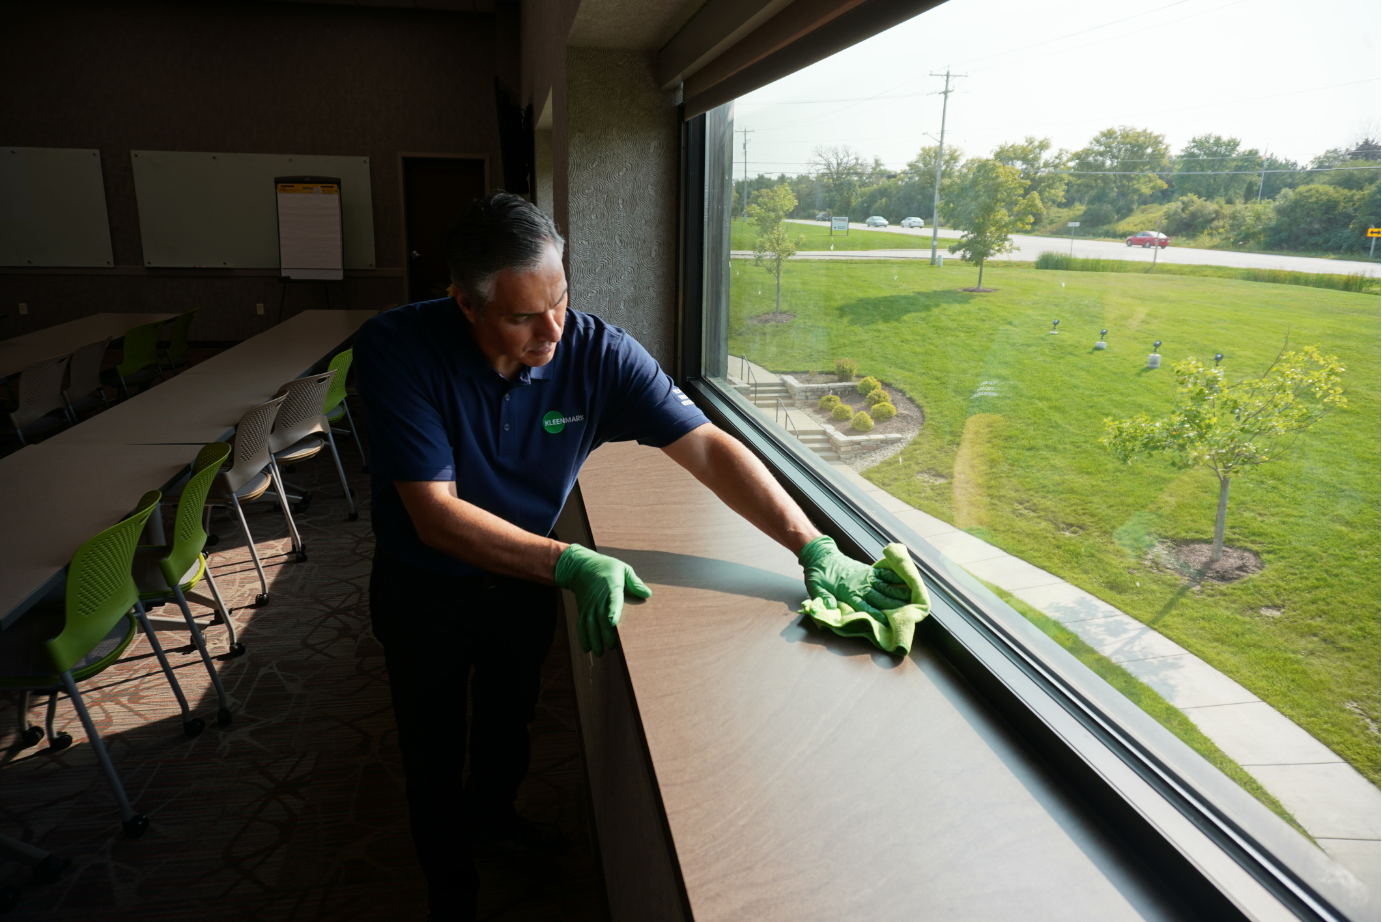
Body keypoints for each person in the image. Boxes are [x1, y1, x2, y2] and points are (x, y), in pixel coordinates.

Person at [355, 192, 908, 921]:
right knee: (431, 745)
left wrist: (810, 543)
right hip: (426, 591)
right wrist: (569, 564)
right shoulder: (398, 349)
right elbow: (435, 514)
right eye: (524, 316)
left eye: (560, 299)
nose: (553, 329)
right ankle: (450, 890)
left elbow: (707, 446)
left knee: (508, 719)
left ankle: (495, 820)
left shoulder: (595, 351)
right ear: (464, 303)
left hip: (520, 586)